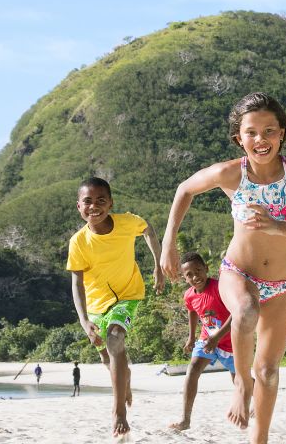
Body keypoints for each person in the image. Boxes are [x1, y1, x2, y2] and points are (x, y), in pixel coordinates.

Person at [160, 92, 286, 443]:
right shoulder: (230, 174)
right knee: (246, 311)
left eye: (269, 131)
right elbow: (184, 189)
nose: (261, 139)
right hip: (238, 272)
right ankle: (240, 382)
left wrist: (276, 226)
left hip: (281, 284)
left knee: (268, 371)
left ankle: (259, 438)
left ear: (283, 133)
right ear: (240, 138)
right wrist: (168, 243)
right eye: (251, 132)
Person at [67, 176, 165, 437]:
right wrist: (83, 319)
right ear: (79, 206)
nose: (94, 206)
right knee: (105, 355)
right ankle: (125, 377)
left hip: (127, 295)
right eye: (87, 201)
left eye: (101, 200)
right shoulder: (78, 242)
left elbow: (148, 230)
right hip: (96, 304)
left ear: (110, 203)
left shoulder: (127, 222)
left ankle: (118, 411)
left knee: (115, 338)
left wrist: (158, 264)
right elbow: (77, 282)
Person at [169, 251, 236, 431]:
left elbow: (236, 313)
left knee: (239, 380)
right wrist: (191, 337)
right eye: (189, 274)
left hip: (232, 342)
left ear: (206, 269)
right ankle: (185, 419)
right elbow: (192, 310)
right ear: (184, 277)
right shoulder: (189, 295)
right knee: (193, 368)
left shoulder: (220, 287)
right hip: (207, 339)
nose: (195, 276)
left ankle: (261, 397)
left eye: (198, 270)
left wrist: (218, 337)